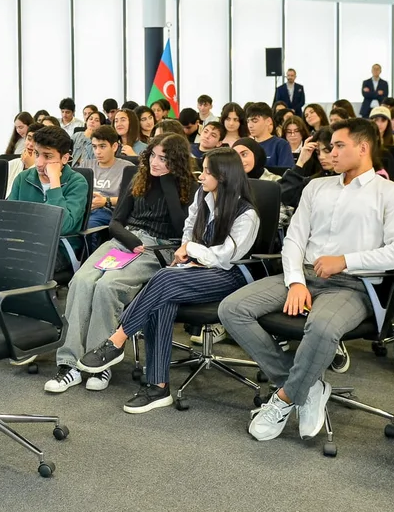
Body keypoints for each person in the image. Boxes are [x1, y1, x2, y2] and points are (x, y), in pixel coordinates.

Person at [219, 119, 394, 442]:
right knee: (232, 309)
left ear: (363, 148)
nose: (331, 153)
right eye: (330, 147)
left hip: (353, 284)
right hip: (304, 276)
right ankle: (306, 386)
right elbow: (294, 240)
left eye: (339, 146)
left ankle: (284, 398)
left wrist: (346, 261)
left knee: (323, 327)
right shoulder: (316, 187)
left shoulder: (389, 193)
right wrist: (295, 281)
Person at [77, 147, 262, 413]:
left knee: (163, 278)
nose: (201, 176)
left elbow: (225, 257)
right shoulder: (204, 195)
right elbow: (189, 228)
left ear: (224, 176)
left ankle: (117, 341)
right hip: (195, 269)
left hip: (228, 275)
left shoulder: (247, 215)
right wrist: (186, 249)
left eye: (208, 171)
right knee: (163, 297)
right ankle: (158, 387)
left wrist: (192, 251)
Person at [46, 134, 197, 394]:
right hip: (125, 241)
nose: (155, 162)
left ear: (176, 162)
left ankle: (98, 362)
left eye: (164, 158)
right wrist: (129, 239)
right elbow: (115, 222)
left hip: (158, 247)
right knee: (81, 281)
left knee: (108, 286)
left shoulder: (188, 187)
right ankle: (69, 363)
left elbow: (181, 227)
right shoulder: (139, 178)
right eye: (153, 156)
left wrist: (168, 181)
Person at [0, 126, 89, 284]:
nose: (39, 163)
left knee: (8, 262)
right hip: (17, 242)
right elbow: (8, 217)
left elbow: (64, 227)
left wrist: (55, 183)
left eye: (47, 156)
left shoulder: (77, 182)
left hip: (54, 250)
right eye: (37, 154)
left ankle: (6, 302)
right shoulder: (24, 178)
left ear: (65, 158)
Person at [279, 126, 336, 209]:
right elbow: (285, 196)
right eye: (318, 152)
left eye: (327, 151)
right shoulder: (315, 181)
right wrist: (301, 161)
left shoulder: (352, 179)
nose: (321, 157)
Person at [86, 125, 127, 233]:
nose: (97, 152)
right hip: (84, 209)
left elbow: (132, 200)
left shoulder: (127, 168)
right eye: (94, 147)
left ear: (114, 147)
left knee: (90, 224)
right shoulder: (85, 165)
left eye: (102, 146)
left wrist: (105, 201)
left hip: (108, 211)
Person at [245, 102, 293, 168]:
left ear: (268, 121)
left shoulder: (281, 145)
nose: (250, 125)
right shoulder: (247, 145)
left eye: (255, 120)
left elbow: (286, 174)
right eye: (248, 121)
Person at [370, 106, 394, 174]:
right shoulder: (365, 140)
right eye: (376, 120)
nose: (379, 124)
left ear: (388, 123)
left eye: (383, 120)